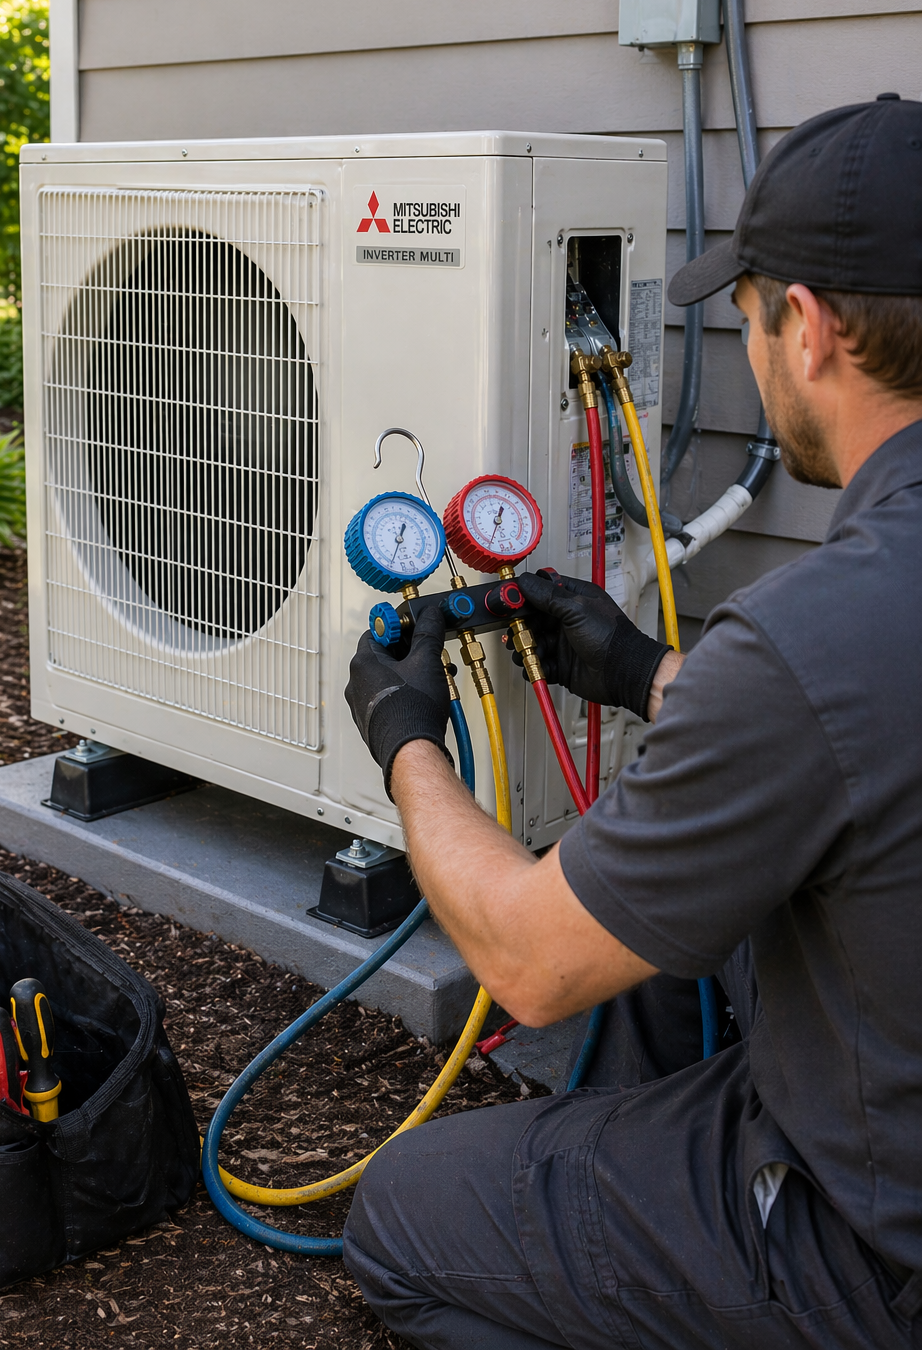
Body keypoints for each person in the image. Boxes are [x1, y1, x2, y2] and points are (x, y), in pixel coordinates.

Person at [340, 95, 922, 1350]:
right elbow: (867, 750)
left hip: (877, 1255)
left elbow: (529, 964)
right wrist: (649, 672)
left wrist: (408, 744)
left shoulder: (813, 632)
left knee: (401, 1217)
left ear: (810, 329)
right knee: (671, 954)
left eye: (750, 315)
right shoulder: (844, 625)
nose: (753, 349)